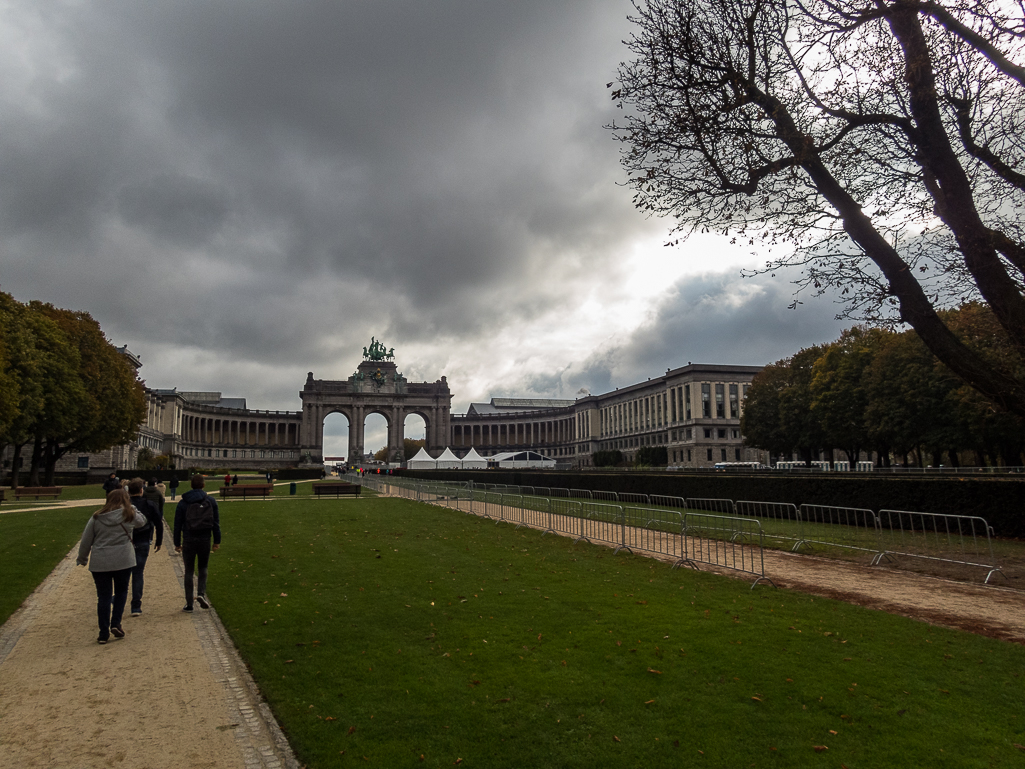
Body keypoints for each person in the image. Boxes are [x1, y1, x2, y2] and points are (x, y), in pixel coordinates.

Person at [77, 488, 149, 644]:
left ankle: (103, 632)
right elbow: (142, 521)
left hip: (101, 560)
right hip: (123, 559)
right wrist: (133, 507)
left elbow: (86, 540)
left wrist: (82, 558)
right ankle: (115, 623)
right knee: (121, 592)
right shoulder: (128, 515)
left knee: (103, 597)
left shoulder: (97, 517)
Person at [173, 474, 221, 612]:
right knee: (203, 567)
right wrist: (217, 541)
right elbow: (215, 524)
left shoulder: (183, 502)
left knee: (189, 570)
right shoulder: (210, 501)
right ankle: (200, 593)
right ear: (203, 485)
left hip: (188, 538)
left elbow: (178, 524)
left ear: (191, 485)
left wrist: (177, 542)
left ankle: (189, 604)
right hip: (205, 538)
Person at [127, 478, 164, 617]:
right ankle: (136, 605)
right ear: (141, 490)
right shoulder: (149, 504)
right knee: (138, 573)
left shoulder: (124, 505)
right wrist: (158, 541)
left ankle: (118, 598)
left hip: (126, 542)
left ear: (129, 491)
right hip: (143, 541)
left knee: (124, 573)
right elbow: (158, 524)